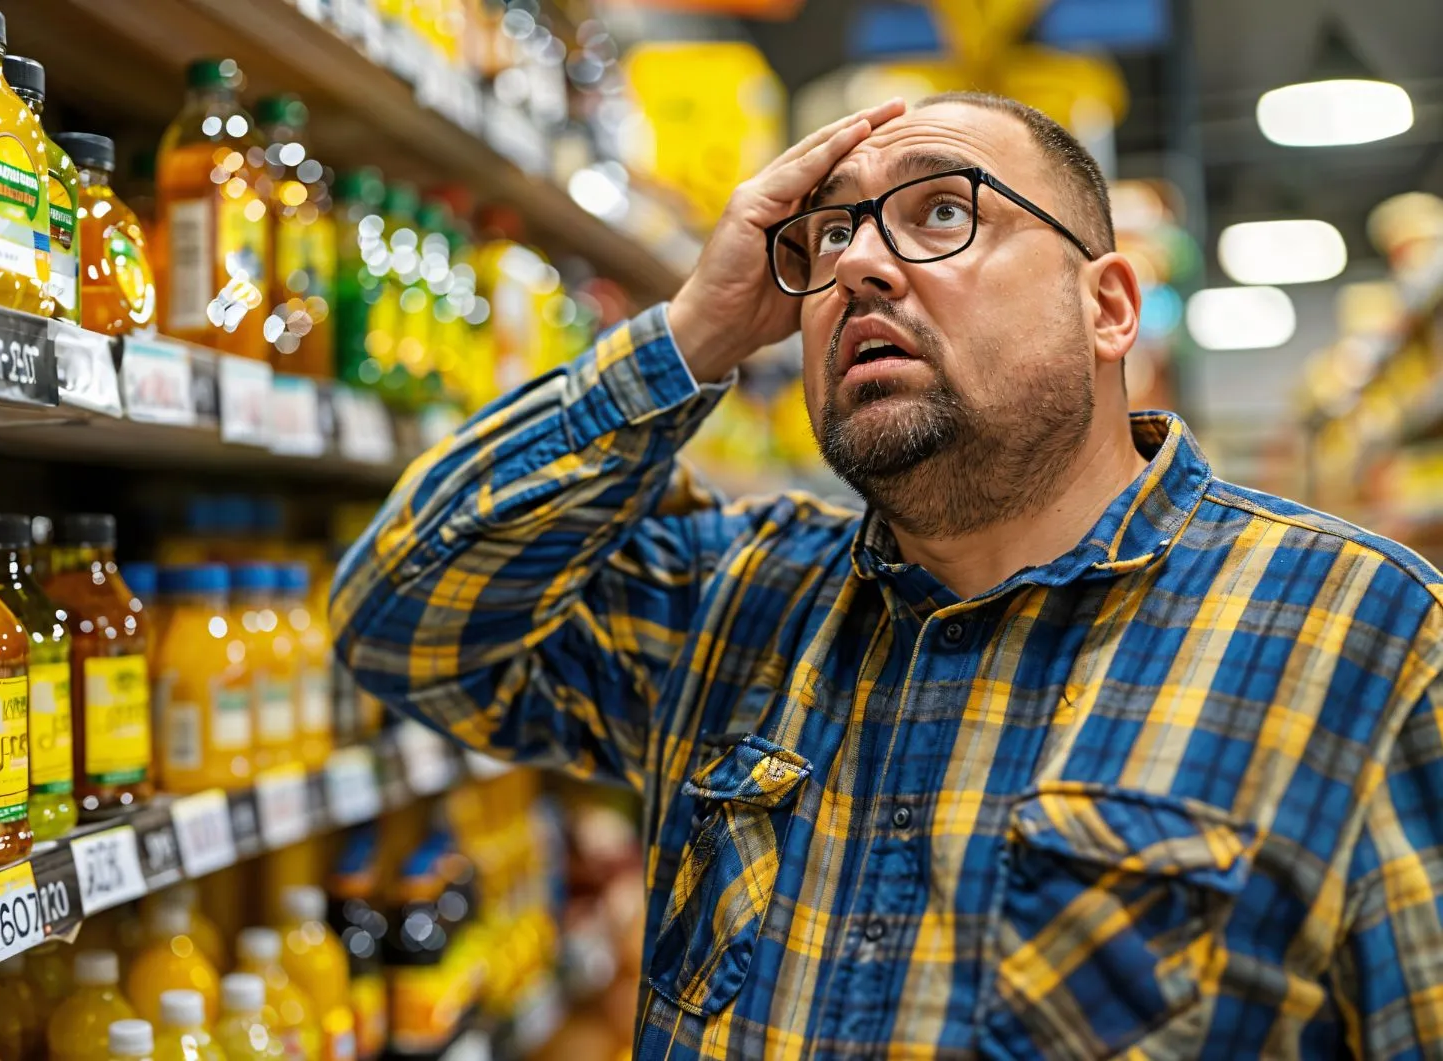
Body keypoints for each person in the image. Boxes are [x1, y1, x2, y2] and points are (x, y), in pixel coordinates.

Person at [331, 94, 1443, 1059]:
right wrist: (694, 332)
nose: (857, 263)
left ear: (1107, 307)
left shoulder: (1365, 635)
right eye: (822, 240)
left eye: (943, 211)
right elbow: (399, 619)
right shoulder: (734, 599)